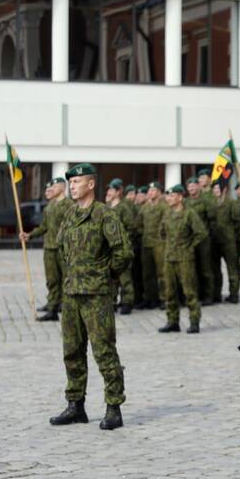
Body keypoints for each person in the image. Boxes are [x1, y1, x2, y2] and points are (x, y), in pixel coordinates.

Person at [48, 163, 132, 430]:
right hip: (72, 292)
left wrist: (103, 275)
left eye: (77, 182)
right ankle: (76, 405)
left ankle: (113, 407)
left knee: (104, 350)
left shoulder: (104, 215)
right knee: (71, 350)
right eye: (70, 183)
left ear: (91, 184)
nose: (72, 186)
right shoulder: (70, 214)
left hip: (97, 294)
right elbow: (61, 247)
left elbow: (123, 252)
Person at [158, 185, 207, 334]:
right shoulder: (167, 214)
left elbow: (201, 233)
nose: (169, 199)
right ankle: (172, 321)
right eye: (168, 196)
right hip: (169, 258)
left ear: (180, 197)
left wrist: (189, 246)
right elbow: (162, 233)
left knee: (189, 291)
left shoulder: (189, 214)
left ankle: (194, 322)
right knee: (169, 292)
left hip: (185, 258)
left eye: (172, 196)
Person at [21, 177, 69, 322]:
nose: (50, 191)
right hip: (49, 248)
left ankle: (66, 308)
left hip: (64, 249)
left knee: (67, 280)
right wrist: (29, 235)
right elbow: (44, 227)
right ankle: (53, 308)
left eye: (52, 188)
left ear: (61, 188)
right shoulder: (49, 207)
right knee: (52, 280)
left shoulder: (70, 205)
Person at [105, 178, 138, 314]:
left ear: (119, 192)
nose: (109, 192)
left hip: (121, 249)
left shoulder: (124, 208)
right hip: (109, 249)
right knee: (111, 277)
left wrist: (123, 242)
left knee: (125, 277)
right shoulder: (106, 207)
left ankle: (127, 302)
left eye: (112, 190)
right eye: (109, 189)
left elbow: (132, 228)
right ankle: (112, 302)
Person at [185, 176, 217, 306]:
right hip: (190, 239)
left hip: (204, 239)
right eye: (189, 186)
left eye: (194, 186)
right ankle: (196, 294)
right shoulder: (185, 202)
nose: (191, 188)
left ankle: (209, 295)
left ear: (198, 187)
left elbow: (212, 220)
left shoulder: (205, 201)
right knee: (193, 268)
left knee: (205, 268)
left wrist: (209, 235)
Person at [213, 181, 240, 303]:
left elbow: (239, 220)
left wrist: (233, 234)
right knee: (215, 269)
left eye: (218, 188)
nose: (216, 191)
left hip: (229, 241)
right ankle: (216, 293)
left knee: (232, 269)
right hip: (215, 242)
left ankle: (233, 294)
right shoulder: (213, 203)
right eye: (214, 189)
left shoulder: (231, 203)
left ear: (224, 189)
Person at [140, 182, 169, 309]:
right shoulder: (145, 207)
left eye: (153, 190)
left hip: (159, 244)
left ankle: (164, 298)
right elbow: (138, 223)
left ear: (159, 192)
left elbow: (167, 223)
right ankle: (150, 298)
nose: (150, 193)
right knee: (147, 273)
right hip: (146, 243)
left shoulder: (164, 206)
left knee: (161, 273)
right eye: (149, 191)